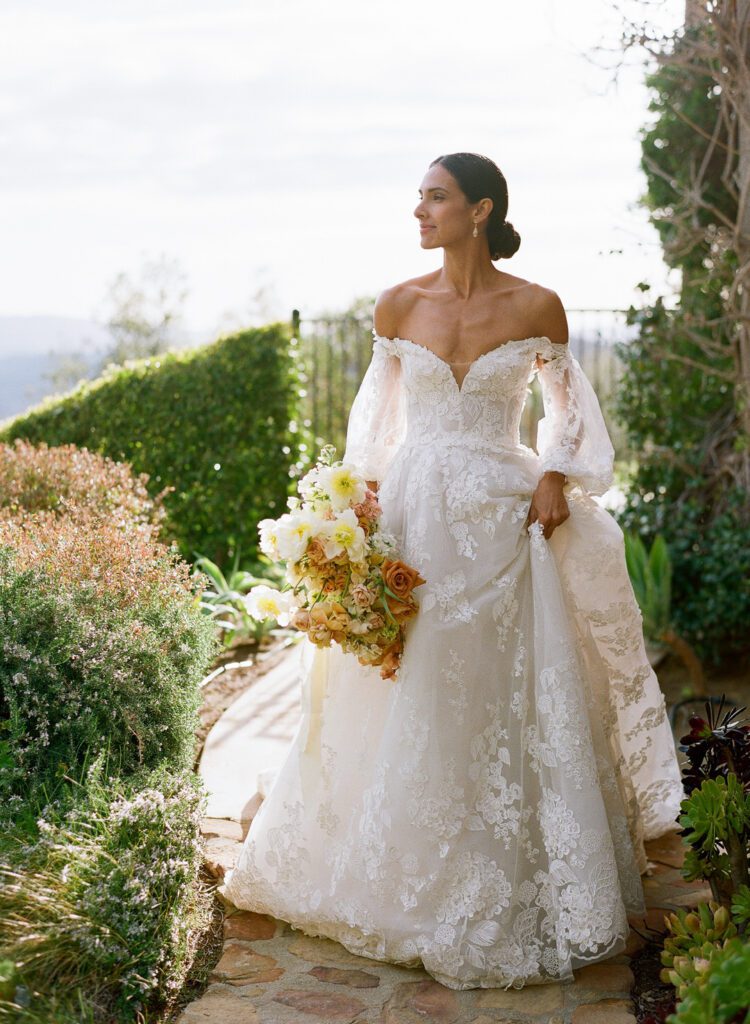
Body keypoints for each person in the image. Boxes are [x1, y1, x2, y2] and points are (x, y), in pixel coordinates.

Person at [221, 151, 684, 990]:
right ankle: (390, 868)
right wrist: (353, 521)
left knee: (496, 693)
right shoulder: (398, 304)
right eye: (419, 199)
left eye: (435, 198)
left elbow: (569, 413)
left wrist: (553, 476)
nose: (419, 211)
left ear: (481, 210)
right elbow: (376, 427)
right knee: (407, 685)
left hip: (504, 525)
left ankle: (503, 863)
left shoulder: (536, 305)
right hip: (413, 519)